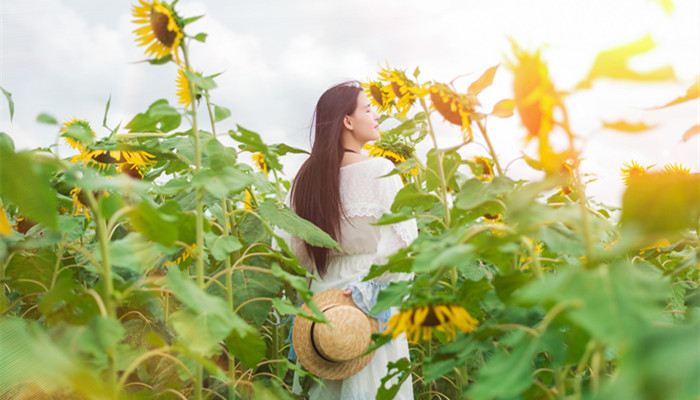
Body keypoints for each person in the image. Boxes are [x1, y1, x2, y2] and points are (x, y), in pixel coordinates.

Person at [274, 81, 417, 400]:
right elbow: (405, 247)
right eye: (368, 108)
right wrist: (371, 288)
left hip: (322, 304)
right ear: (347, 121)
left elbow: (286, 247)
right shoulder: (381, 169)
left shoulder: (306, 179)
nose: (376, 115)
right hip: (369, 299)